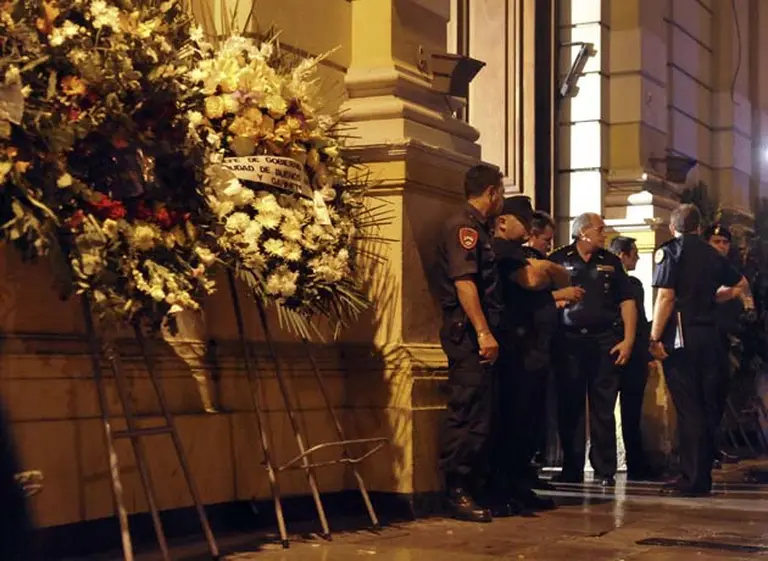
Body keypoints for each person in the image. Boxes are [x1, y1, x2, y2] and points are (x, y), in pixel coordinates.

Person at [649, 204, 748, 496]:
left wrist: (654, 338)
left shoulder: (670, 252)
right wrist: (717, 298)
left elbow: (666, 297)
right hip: (712, 339)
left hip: (682, 339)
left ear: (673, 227)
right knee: (707, 409)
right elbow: (740, 283)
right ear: (698, 227)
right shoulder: (712, 254)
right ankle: (702, 475)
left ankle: (691, 479)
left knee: (688, 408)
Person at [435, 164, 505, 522]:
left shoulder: (479, 228)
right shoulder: (464, 227)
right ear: (491, 192)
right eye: (501, 192)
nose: (502, 199)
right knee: (467, 411)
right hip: (468, 336)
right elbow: (465, 283)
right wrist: (482, 331)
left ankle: (472, 485)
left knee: (481, 413)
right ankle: (455, 490)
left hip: (478, 335)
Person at [491, 198, 570, 514]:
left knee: (531, 425)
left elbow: (561, 276)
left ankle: (521, 485)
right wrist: (549, 269)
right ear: (502, 222)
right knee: (515, 423)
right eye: (522, 219)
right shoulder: (502, 251)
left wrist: (548, 268)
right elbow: (535, 278)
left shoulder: (520, 254)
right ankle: (506, 488)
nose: (527, 227)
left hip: (535, 351)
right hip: (517, 352)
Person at [549, 213, 637, 486]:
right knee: (571, 406)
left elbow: (627, 302)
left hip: (603, 342)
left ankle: (604, 469)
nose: (604, 234)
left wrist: (629, 340)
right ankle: (571, 467)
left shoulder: (610, 261)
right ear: (583, 233)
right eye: (600, 229)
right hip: (569, 342)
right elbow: (540, 297)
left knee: (603, 407)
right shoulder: (558, 259)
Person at [524, 212, 583, 476]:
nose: (548, 247)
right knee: (526, 412)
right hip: (526, 345)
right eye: (545, 240)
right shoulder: (523, 260)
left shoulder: (542, 260)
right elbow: (525, 298)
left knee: (538, 413)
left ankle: (531, 469)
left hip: (545, 345)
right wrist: (561, 294)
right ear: (532, 235)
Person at [704, 224, 753, 467]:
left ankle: (715, 447)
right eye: (716, 241)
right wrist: (734, 292)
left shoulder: (730, 268)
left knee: (720, 397)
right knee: (707, 398)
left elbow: (746, 292)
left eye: (724, 242)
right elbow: (713, 295)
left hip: (729, 340)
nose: (721, 246)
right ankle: (706, 451)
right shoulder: (704, 267)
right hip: (708, 339)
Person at [609, 236, 654, 479]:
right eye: (633, 253)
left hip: (624, 352)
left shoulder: (633, 283)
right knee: (629, 411)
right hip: (630, 353)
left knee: (626, 411)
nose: (637, 257)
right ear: (622, 255)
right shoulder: (630, 285)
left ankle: (622, 461)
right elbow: (639, 322)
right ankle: (635, 463)